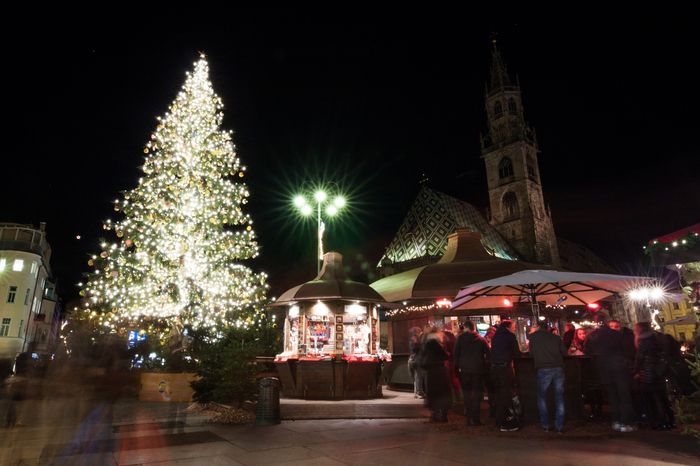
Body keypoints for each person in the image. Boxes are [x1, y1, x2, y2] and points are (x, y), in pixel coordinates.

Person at [586, 320, 635, 432]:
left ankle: (616, 421)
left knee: (612, 397)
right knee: (624, 397)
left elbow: (589, 351)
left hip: (605, 371)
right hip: (619, 369)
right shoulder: (619, 336)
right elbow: (628, 350)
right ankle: (624, 423)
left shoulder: (597, 336)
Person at [528, 322, 567, 433]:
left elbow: (531, 354)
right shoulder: (556, 337)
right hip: (558, 367)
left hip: (543, 368)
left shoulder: (533, 337)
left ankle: (546, 425)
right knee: (559, 397)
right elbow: (564, 353)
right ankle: (559, 426)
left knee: (542, 397)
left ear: (538, 327)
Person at [634, 322, 673, 430]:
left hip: (649, 373)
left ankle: (661, 422)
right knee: (663, 397)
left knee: (654, 398)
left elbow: (639, 357)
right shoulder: (658, 338)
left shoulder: (643, 341)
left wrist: (636, 369)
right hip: (661, 372)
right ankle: (671, 421)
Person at [452, 321, 490, 426]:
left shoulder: (460, 339)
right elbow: (488, 353)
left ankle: (469, 418)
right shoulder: (481, 340)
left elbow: (455, 354)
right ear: (474, 328)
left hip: (465, 369)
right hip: (477, 369)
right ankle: (476, 418)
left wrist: (459, 365)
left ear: (465, 328)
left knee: (467, 393)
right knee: (477, 393)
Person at [490, 320, 521, 431]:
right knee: (505, 393)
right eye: (513, 327)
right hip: (504, 367)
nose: (514, 328)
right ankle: (502, 422)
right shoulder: (510, 336)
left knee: (498, 393)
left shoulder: (495, 337)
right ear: (508, 327)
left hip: (493, 368)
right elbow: (517, 353)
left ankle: (498, 419)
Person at [421, 327, 452, 423]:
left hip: (431, 372)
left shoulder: (428, 344)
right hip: (440, 371)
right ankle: (444, 415)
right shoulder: (437, 344)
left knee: (433, 393)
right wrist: (447, 353)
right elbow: (445, 356)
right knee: (443, 393)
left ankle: (435, 414)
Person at [408, 327, 425, 399]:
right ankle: (418, 392)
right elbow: (414, 349)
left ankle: (417, 391)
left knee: (417, 376)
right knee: (418, 376)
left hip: (415, 358)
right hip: (417, 359)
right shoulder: (414, 339)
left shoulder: (414, 338)